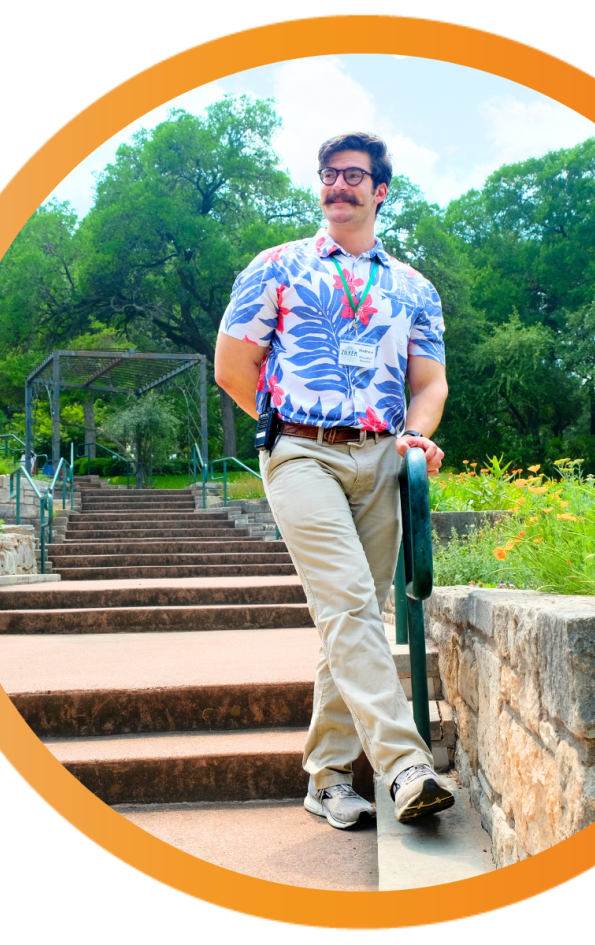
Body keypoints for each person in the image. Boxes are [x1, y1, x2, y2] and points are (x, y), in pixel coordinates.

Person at [214, 131, 454, 828]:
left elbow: (430, 383)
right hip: (300, 453)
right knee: (350, 602)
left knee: (351, 617)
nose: (337, 185)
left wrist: (416, 433)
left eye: (353, 175)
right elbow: (232, 366)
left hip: (382, 457)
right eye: (328, 174)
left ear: (381, 191)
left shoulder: (414, 287)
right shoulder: (276, 267)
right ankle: (407, 766)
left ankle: (325, 779)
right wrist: (288, 422)